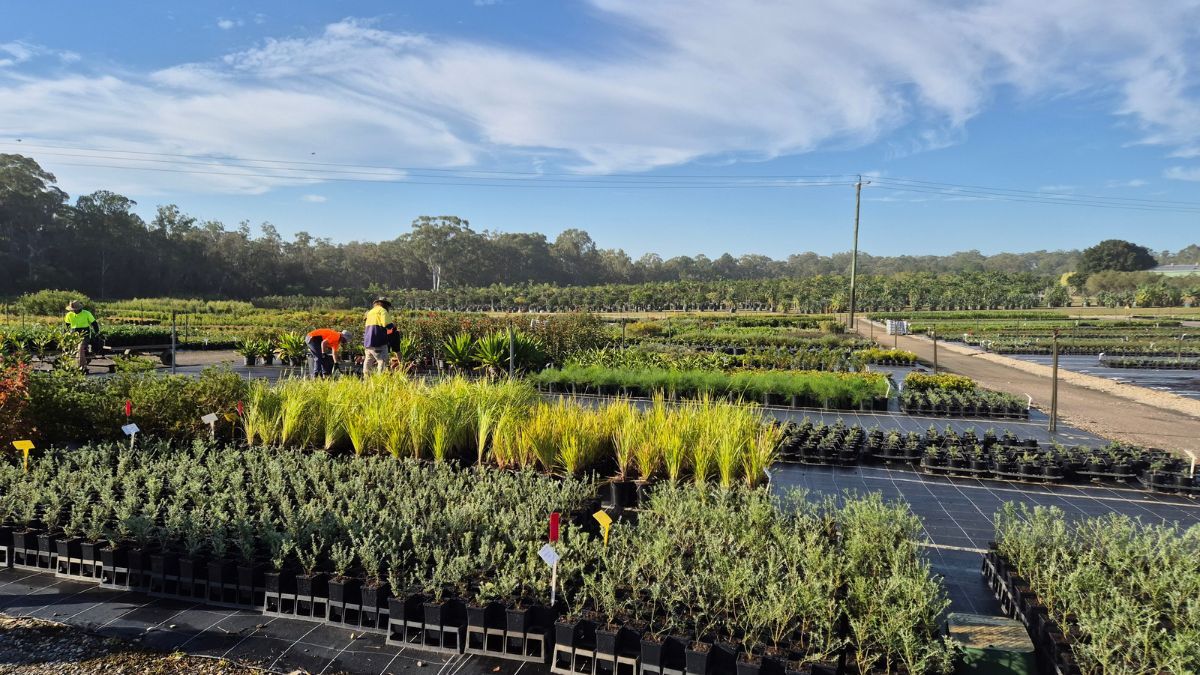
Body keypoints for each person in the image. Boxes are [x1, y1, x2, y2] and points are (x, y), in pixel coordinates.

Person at [63, 300, 101, 373]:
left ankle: (82, 368)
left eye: (75, 309)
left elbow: (94, 323)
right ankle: (79, 366)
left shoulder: (86, 313)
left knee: (80, 348)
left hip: (85, 335)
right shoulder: (69, 315)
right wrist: (65, 335)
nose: (74, 311)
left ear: (79, 308)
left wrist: (97, 333)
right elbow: (67, 326)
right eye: (73, 310)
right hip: (74, 335)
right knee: (75, 350)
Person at [363, 297, 395, 375]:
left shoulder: (370, 312)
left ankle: (366, 379)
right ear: (385, 304)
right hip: (378, 341)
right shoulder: (382, 311)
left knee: (368, 361)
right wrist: (392, 326)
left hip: (368, 341)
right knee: (382, 360)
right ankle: (380, 378)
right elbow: (387, 324)